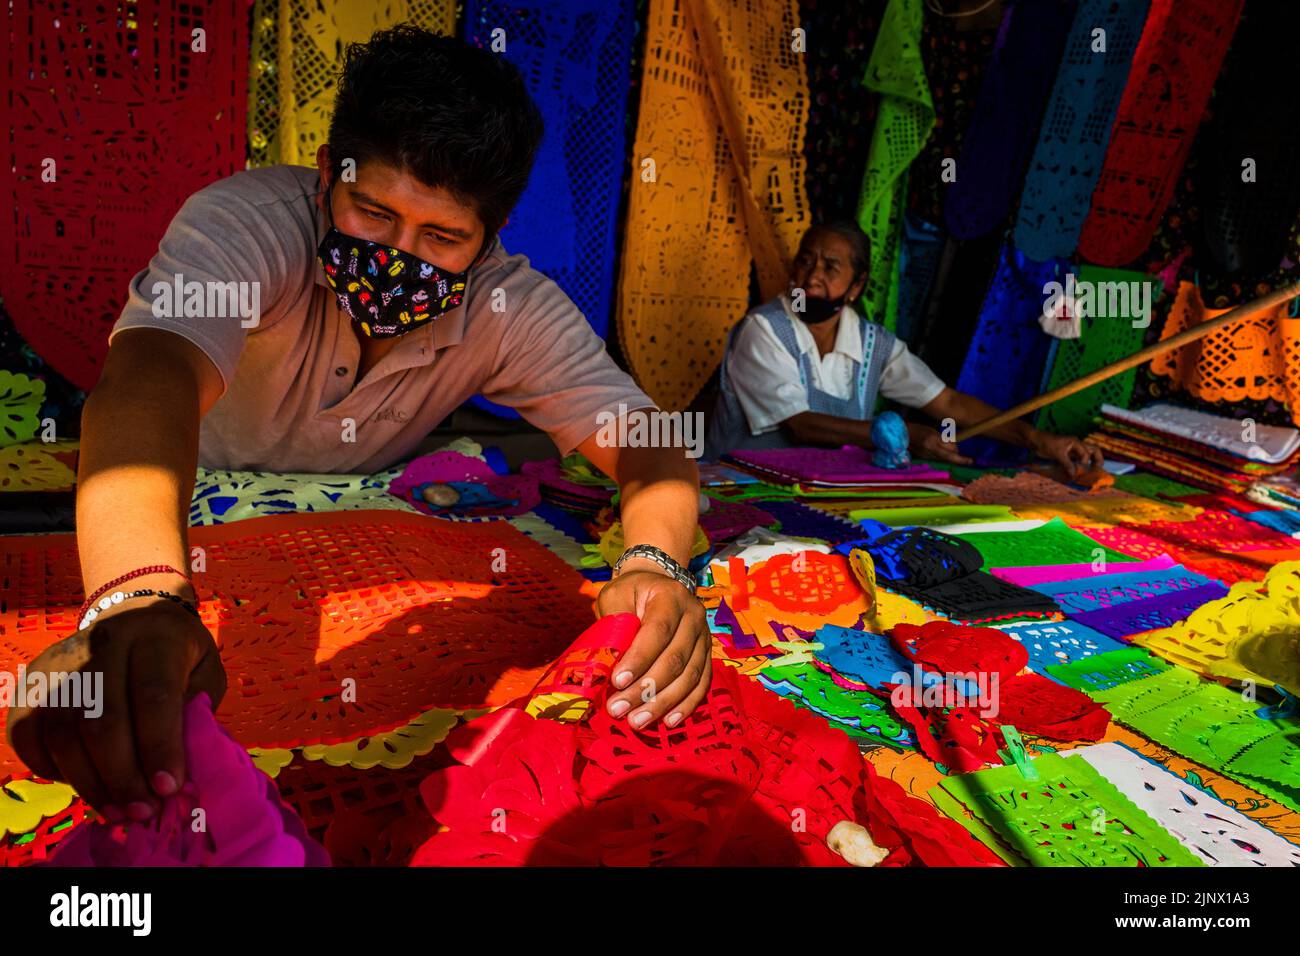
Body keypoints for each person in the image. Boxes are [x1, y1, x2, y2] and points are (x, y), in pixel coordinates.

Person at [7, 27, 707, 824]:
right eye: (372, 212)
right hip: (181, 508)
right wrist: (136, 601)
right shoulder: (249, 224)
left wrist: (655, 564)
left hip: (367, 525)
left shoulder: (508, 307)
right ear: (323, 178)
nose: (397, 255)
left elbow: (647, 440)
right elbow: (149, 378)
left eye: (442, 238)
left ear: (490, 244)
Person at [706, 220, 1105, 474]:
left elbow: (947, 403)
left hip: (818, 490)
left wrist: (1039, 441)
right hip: (743, 487)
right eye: (805, 262)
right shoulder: (764, 329)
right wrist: (898, 433)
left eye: (831, 267)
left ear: (856, 286)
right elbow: (801, 423)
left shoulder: (873, 345)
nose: (812, 276)